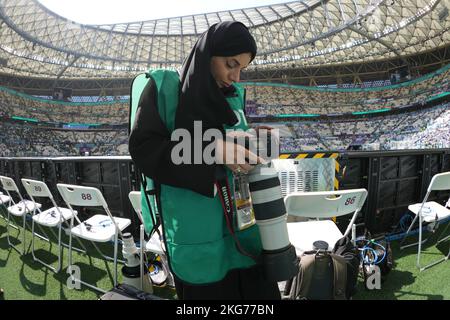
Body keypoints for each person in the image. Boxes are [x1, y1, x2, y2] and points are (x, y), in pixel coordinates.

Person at [129, 21, 280, 300]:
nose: (235, 77)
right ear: (207, 54)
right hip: (196, 239)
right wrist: (211, 149)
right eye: (230, 64)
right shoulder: (163, 88)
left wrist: (250, 137)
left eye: (241, 69)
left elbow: (229, 144)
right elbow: (144, 150)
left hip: (244, 234)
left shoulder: (233, 97)